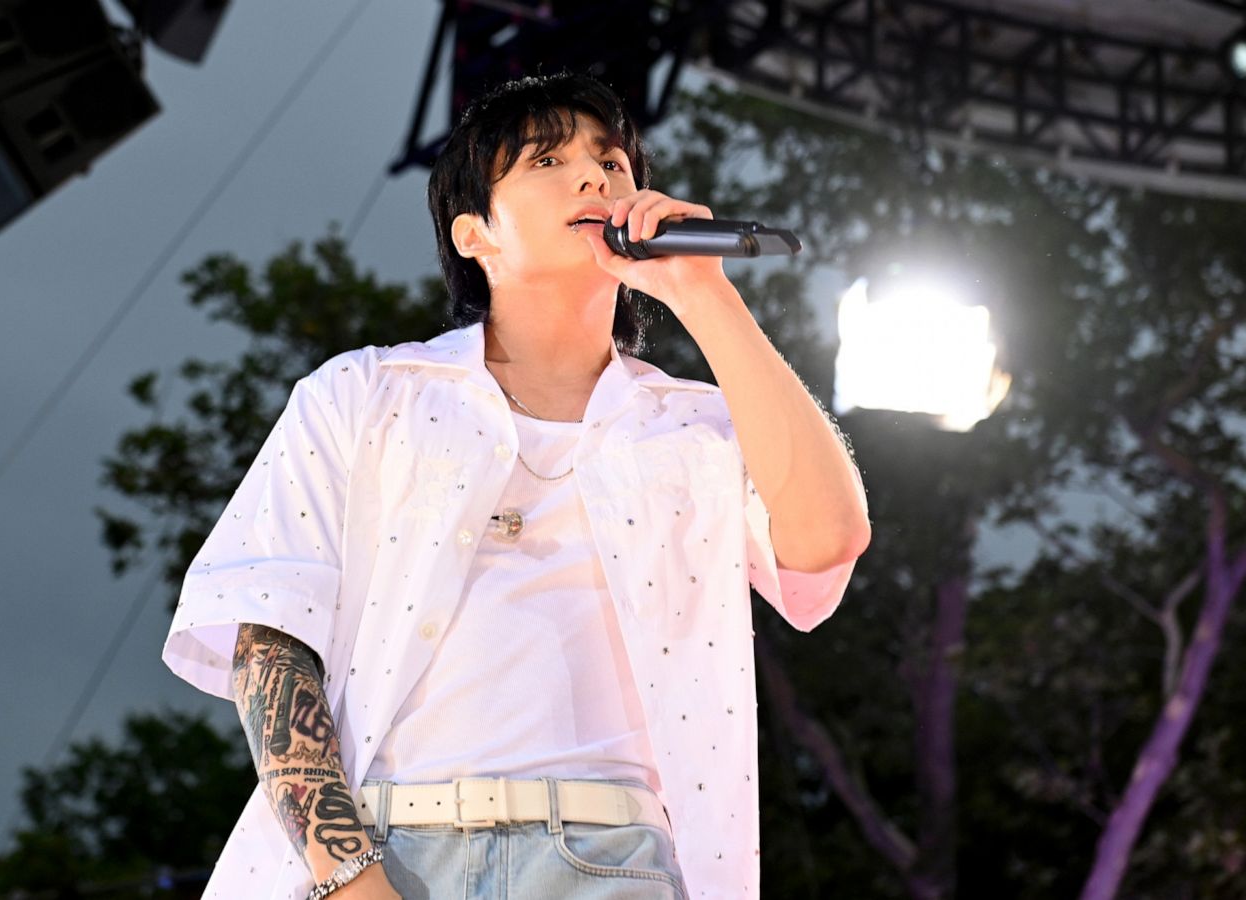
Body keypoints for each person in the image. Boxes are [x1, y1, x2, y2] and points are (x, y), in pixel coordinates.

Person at [161, 72, 870, 900]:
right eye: (548, 161)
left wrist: (703, 295)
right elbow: (269, 641)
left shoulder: (696, 425)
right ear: (474, 234)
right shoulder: (366, 394)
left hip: (611, 860)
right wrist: (347, 875)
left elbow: (829, 537)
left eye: (611, 164)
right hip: (383, 844)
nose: (594, 180)